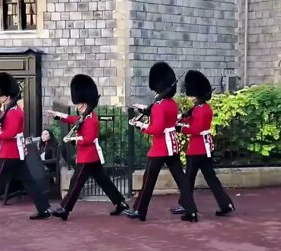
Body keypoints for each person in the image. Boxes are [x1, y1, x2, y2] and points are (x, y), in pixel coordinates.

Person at [0, 72, 51, 225]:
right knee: (29, 182)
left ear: (6, 96)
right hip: (15, 154)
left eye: (1, 96)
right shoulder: (10, 109)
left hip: (9, 153)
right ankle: (43, 209)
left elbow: (10, 133)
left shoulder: (14, 112)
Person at [46, 74, 129, 221]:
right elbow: (74, 119)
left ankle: (65, 208)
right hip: (91, 157)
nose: (77, 107)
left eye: (78, 105)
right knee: (103, 180)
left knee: (76, 183)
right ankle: (120, 202)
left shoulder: (91, 119)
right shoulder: (85, 116)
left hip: (88, 156)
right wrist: (58, 115)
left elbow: (89, 139)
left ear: (83, 103)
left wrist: (73, 139)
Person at [127, 62, 198, 222]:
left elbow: (156, 129)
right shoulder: (171, 103)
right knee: (182, 180)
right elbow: (162, 115)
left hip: (160, 147)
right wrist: (144, 109)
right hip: (172, 146)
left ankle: (140, 210)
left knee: (148, 181)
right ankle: (191, 210)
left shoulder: (159, 105)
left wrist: (140, 125)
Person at [170, 70, 236, 216]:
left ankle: (187, 206)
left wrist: (179, 128)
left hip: (197, 149)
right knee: (211, 178)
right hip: (206, 148)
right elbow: (192, 121)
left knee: (188, 180)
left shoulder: (199, 110)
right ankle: (226, 204)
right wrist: (182, 119)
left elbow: (196, 129)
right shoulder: (204, 108)